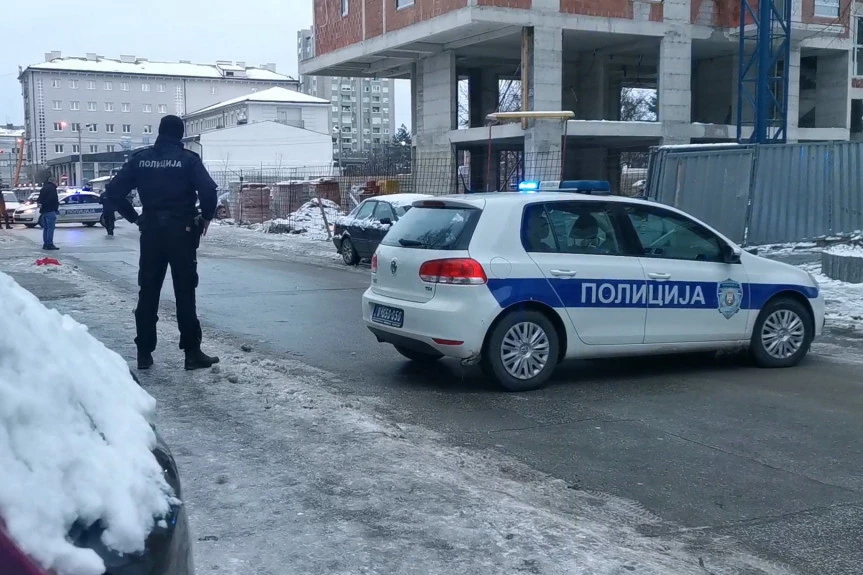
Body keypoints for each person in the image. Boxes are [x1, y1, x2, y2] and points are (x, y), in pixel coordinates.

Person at [106, 115, 220, 371]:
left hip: (151, 232)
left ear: (159, 132)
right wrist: (205, 217)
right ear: (180, 134)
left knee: (148, 291)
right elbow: (208, 191)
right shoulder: (188, 160)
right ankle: (191, 352)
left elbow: (113, 193)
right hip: (182, 231)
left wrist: (135, 217)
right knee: (185, 291)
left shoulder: (140, 159)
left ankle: (144, 352)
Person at [37, 174, 60, 250]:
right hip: (50, 210)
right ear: (53, 181)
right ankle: (49, 244)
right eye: (56, 181)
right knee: (50, 228)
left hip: (44, 211)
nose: (56, 183)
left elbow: (39, 199)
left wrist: (42, 205)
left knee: (46, 228)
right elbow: (53, 199)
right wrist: (55, 208)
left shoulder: (44, 188)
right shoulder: (52, 189)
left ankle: (45, 244)